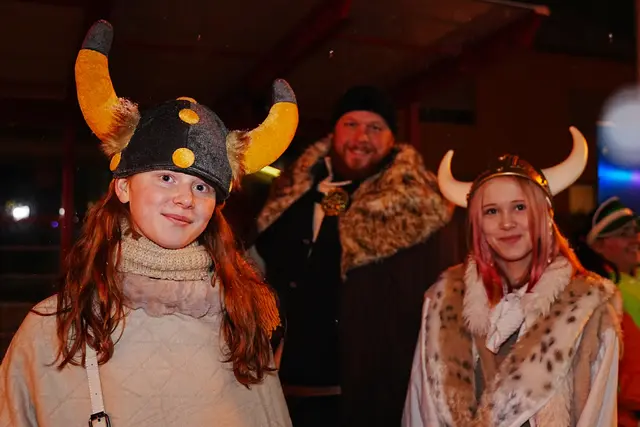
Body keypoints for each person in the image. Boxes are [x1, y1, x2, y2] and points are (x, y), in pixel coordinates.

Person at [0, 20, 298, 426]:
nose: (185, 198)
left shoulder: (243, 320)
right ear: (123, 187)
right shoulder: (52, 327)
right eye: (166, 178)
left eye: (201, 187)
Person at [250, 85, 465, 426]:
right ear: (333, 132)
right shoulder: (291, 194)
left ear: (392, 139)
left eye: (375, 127)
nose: (362, 137)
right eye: (351, 124)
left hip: (376, 398)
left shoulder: (419, 208)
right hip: (285, 395)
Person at [403, 127, 622, 427]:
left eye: (520, 207)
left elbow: (599, 415)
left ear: (545, 216)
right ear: (478, 224)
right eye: (491, 211)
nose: (506, 223)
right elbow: (420, 409)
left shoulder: (589, 308)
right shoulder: (443, 301)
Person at [579, 197, 640, 427]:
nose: (635, 238)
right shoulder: (602, 294)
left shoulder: (632, 281)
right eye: (624, 234)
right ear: (598, 245)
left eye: (635, 231)